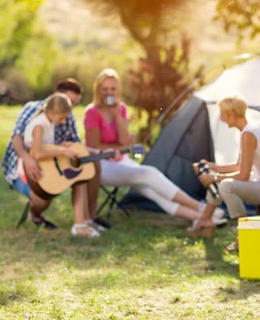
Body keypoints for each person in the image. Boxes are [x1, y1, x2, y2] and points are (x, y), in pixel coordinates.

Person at [84, 68, 223, 223]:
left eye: (113, 89)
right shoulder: (92, 112)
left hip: (121, 161)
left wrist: (117, 115)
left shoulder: (121, 108)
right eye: (105, 89)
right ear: (98, 90)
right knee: (148, 173)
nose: (109, 93)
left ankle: (201, 218)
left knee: (150, 190)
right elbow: (96, 145)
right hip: (100, 165)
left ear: (118, 90)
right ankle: (201, 208)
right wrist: (123, 144)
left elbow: (124, 141)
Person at [1, 78, 112, 231]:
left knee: (91, 165)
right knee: (42, 200)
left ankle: (88, 218)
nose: (71, 108)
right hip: (23, 167)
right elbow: (17, 137)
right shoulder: (35, 111)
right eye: (70, 101)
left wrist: (100, 152)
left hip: (52, 165)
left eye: (75, 104)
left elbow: (77, 146)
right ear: (57, 95)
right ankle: (35, 214)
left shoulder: (65, 116)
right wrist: (27, 159)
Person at [190, 95, 260, 245]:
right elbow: (239, 166)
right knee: (222, 182)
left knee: (226, 185)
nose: (221, 119)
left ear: (232, 114)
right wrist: (213, 167)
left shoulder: (248, 134)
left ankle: (245, 234)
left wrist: (214, 177)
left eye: (223, 114)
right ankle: (205, 220)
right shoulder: (249, 130)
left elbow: (243, 175)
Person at [18, 93, 99, 237]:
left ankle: (82, 223)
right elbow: (37, 153)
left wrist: (62, 146)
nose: (63, 122)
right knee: (77, 179)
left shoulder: (48, 122)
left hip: (47, 164)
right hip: (35, 171)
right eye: (61, 118)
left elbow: (46, 146)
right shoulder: (39, 125)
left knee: (80, 178)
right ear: (50, 112)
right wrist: (62, 151)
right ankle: (80, 225)